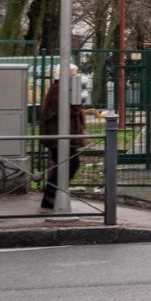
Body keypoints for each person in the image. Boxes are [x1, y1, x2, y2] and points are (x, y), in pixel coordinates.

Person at [37, 67, 87, 211]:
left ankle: (51, 197)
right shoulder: (59, 89)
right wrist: (77, 104)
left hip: (60, 135)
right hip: (59, 136)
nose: (76, 77)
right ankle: (51, 195)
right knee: (71, 163)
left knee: (65, 164)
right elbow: (66, 109)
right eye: (74, 74)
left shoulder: (60, 88)